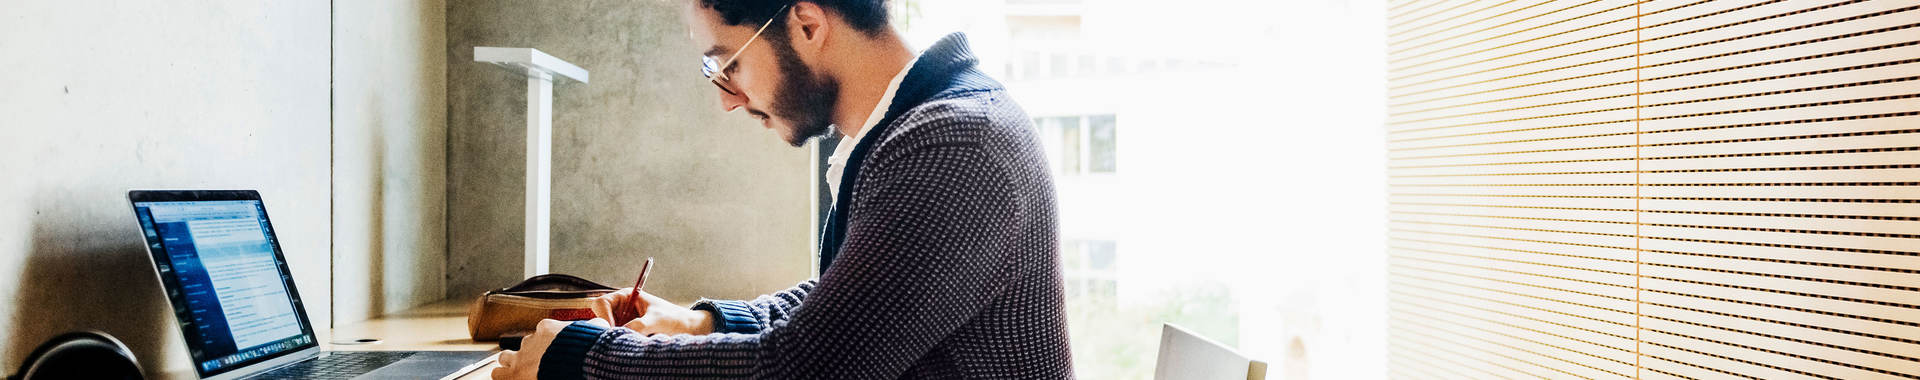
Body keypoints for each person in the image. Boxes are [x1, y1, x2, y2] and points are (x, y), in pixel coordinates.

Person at [489, 0, 1073, 378]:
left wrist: (581, 358)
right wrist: (708, 323)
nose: (725, 98)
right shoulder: (927, 129)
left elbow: (809, 368)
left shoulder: (956, 146)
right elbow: (854, 302)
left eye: (729, 64)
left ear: (807, 24)